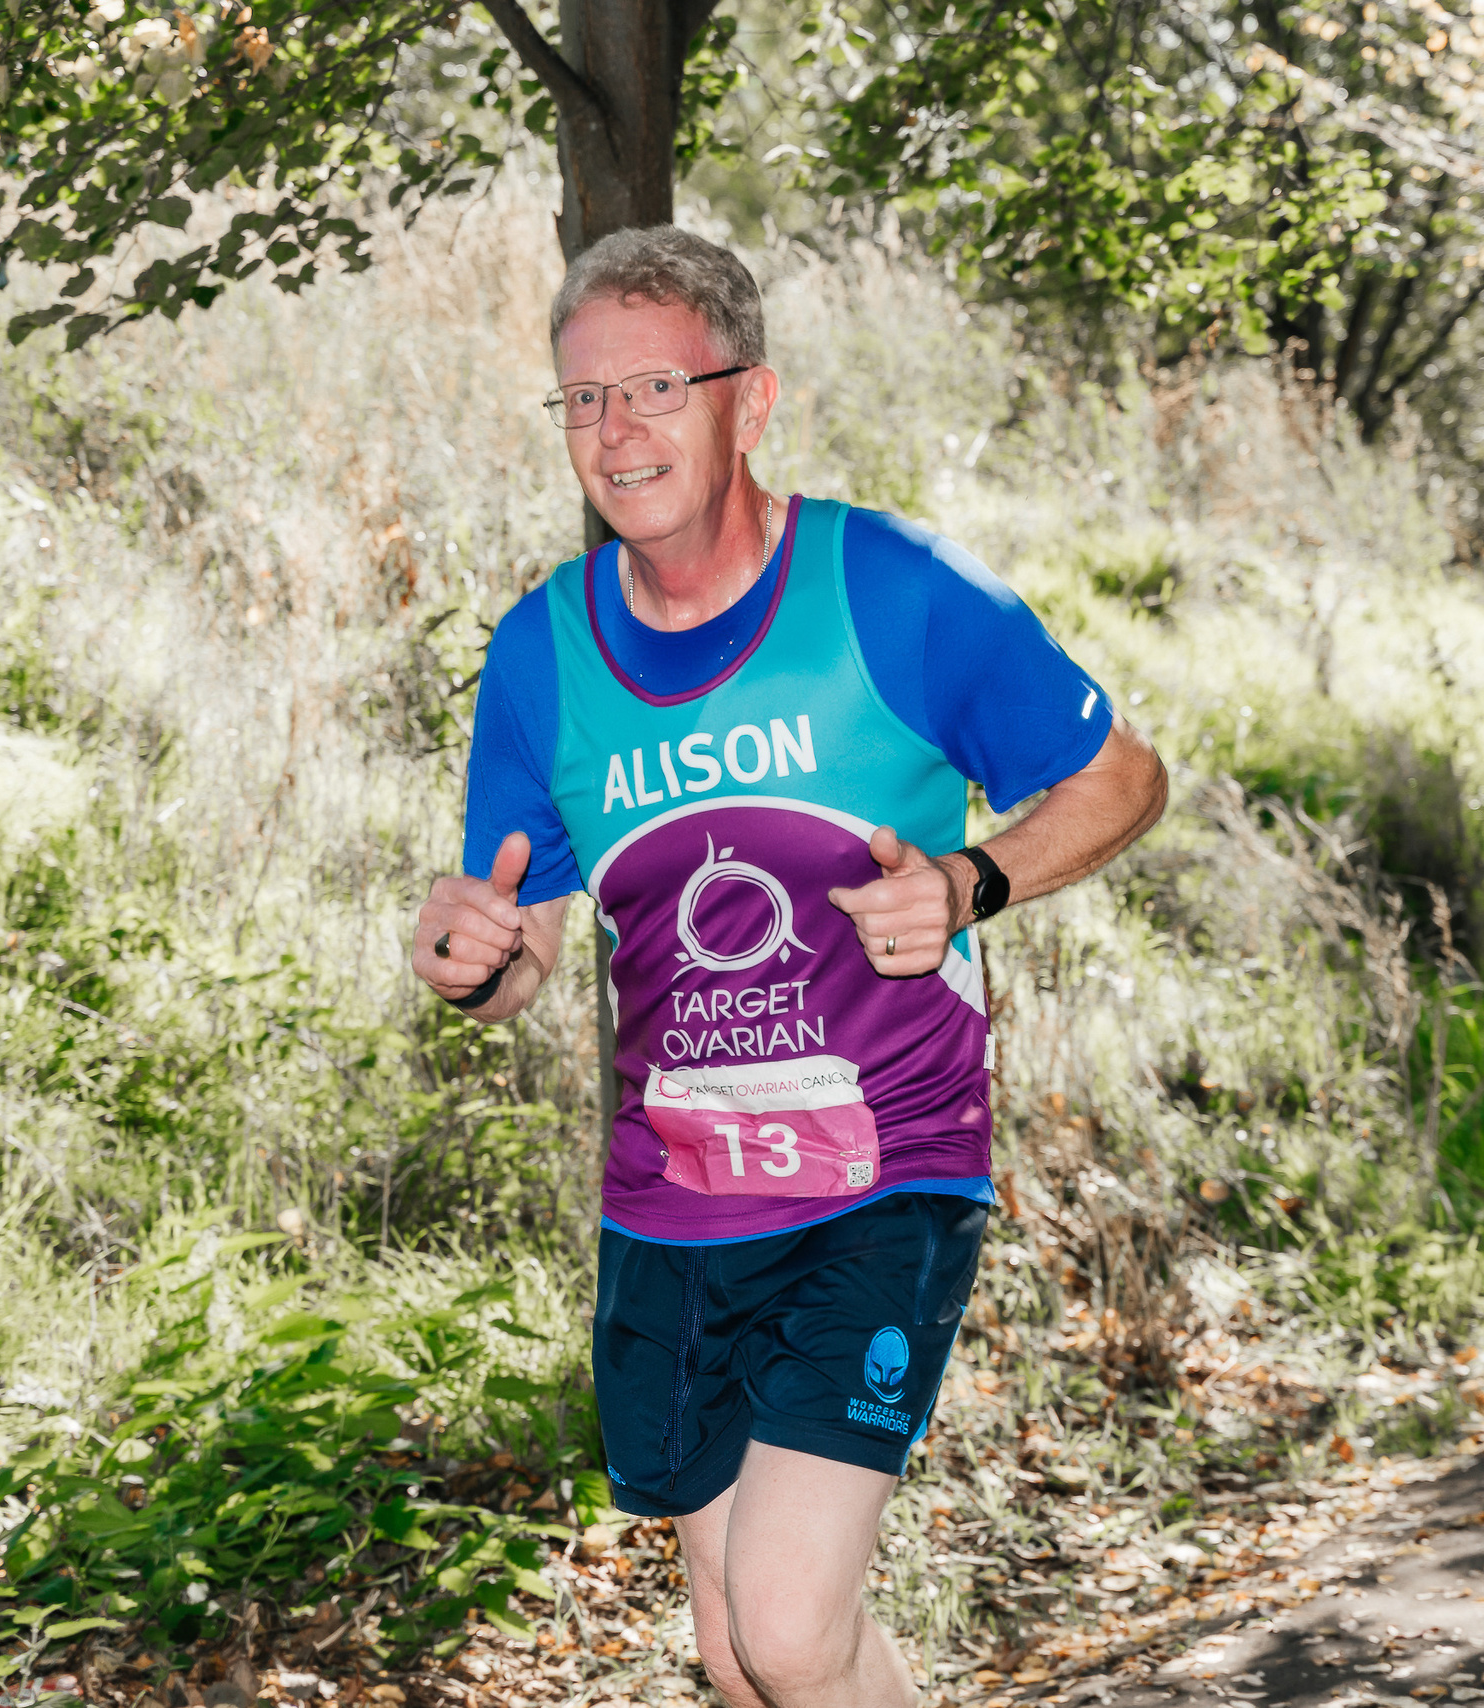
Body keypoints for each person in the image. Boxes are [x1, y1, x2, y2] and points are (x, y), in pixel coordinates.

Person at [412, 226, 1165, 1708]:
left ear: (749, 402)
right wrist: (471, 963)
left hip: (883, 1178)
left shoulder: (890, 588)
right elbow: (526, 953)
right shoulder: (542, 656)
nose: (616, 435)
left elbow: (1122, 776)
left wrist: (970, 881)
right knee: (739, 1658)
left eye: (653, 390)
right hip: (676, 1205)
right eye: (582, 401)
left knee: (790, 1624)